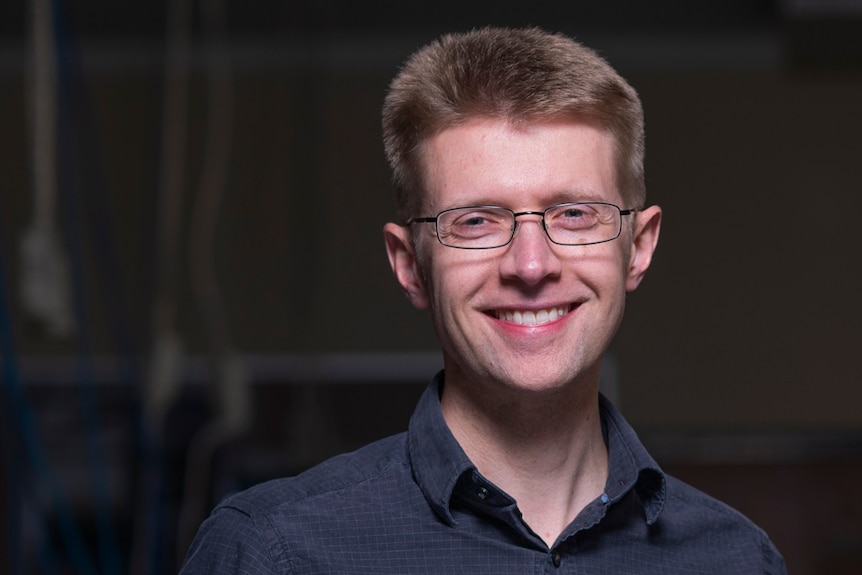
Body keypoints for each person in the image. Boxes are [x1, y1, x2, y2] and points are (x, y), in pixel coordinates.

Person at [180, 27, 786, 574]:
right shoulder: (274, 551)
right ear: (409, 265)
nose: (531, 265)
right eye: (475, 221)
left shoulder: (736, 558)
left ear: (640, 246)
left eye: (574, 214)